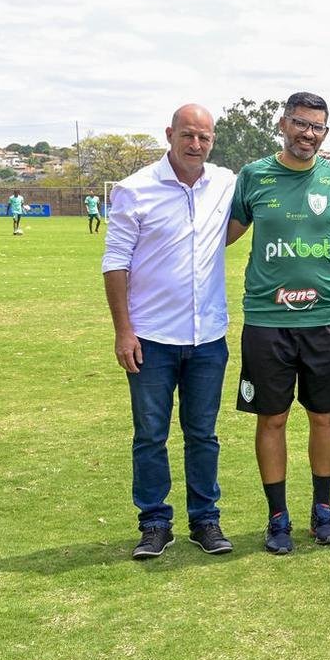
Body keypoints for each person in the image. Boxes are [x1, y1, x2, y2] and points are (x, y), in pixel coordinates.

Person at [101, 104, 236, 559]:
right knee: (150, 436)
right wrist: (124, 331)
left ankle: (205, 520)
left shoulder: (225, 183)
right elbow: (115, 263)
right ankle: (155, 523)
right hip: (151, 339)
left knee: (203, 435)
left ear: (212, 140)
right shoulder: (135, 189)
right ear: (169, 134)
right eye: (187, 135)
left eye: (204, 137)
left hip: (207, 338)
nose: (195, 144)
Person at [227, 91, 330, 554]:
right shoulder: (253, 176)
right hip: (267, 320)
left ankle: (323, 510)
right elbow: (224, 234)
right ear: (283, 124)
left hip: (325, 319)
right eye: (300, 123)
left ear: (326, 132)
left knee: (324, 416)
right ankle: (277, 516)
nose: (308, 133)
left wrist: (324, 266)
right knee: (273, 418)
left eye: (317, 126)